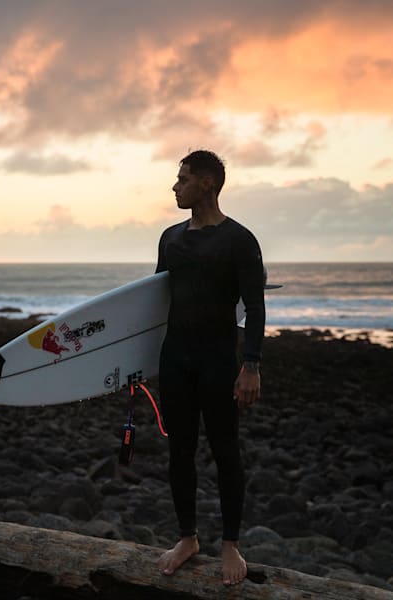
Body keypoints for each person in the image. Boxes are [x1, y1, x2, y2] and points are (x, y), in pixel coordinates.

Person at [156, 150, 265, 586]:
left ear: (207, 184)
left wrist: (251, 365)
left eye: (182, 179)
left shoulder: (240, 240)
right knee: (179, 451)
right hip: (175, 359)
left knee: (225, 451)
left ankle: (230, 545)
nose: (174, 186)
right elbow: (155, 305)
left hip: (219, 359)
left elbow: (255, 308)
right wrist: (139, 364)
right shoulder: (169, 238)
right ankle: (188, 538)